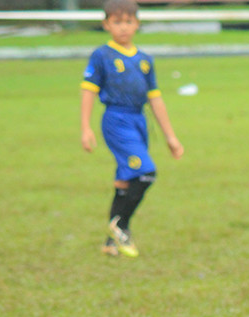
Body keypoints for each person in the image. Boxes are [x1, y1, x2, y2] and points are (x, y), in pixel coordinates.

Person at [80, 0, 184, 258]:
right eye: (117, 22)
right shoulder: (102, 55)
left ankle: (110, 242)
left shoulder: (145, 60)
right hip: (116, 120)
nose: (123, 28)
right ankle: (121, 225)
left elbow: (155, 99)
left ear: (137, 24)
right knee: (146, 173)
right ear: (106, 25)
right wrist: (85, 127)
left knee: (125, 179)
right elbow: (88, 91)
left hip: (139, 121)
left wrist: (170, 136)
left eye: (128, 22)